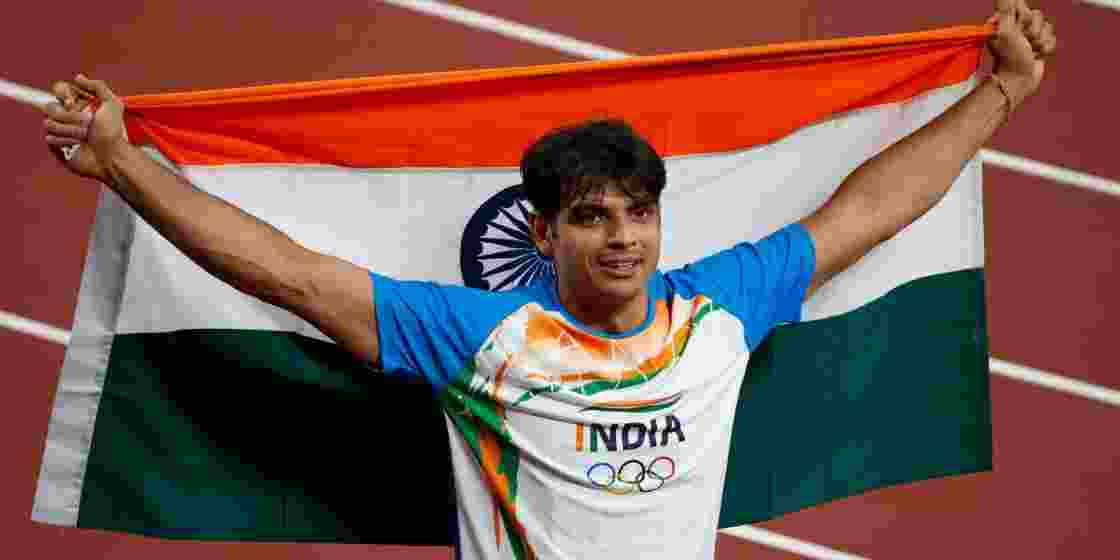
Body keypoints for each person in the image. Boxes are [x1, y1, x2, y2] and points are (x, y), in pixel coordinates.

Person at [40, 1, 1055, 558]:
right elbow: (294, 278)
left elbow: (869, 210)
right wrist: (125, 163)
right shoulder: (480, 337)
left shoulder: (722, 306)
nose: (622, 238)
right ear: (545, 232)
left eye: (639, 213)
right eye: (592, 216)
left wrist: (1002, 93)